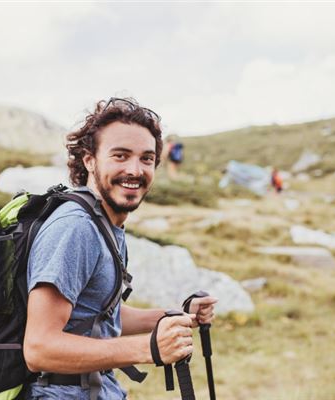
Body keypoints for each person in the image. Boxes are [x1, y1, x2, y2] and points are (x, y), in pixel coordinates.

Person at [24, 97, 218, 400]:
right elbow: (39, 348)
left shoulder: (105, 223)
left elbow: (95, 315)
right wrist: (148, 348)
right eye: (120, 156)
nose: (135, 170)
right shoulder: (75, 228)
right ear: (89, 160)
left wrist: (174, 316)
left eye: (146, 158)